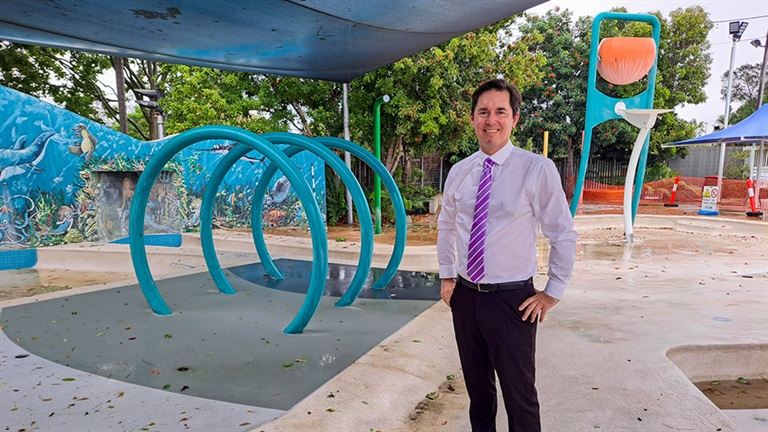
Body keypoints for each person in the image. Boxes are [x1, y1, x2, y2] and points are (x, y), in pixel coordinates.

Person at [437, 78, 578, 432]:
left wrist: (553, 290)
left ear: (515, 119)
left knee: (520, 397)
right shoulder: (460, 171)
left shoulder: (536, 169)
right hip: (466, 298)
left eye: (500, 112)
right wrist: (447, 276)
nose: (491, 120)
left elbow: (562, 231)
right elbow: (446, 225)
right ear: (472, 118)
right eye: (483, 112)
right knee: (478, 395)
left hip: (513, 300)